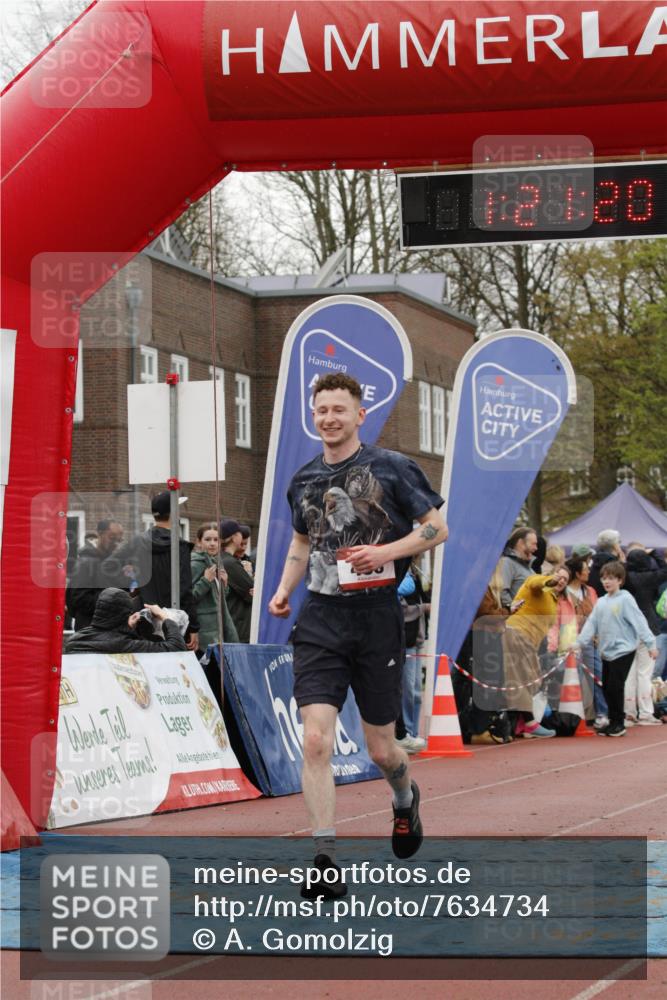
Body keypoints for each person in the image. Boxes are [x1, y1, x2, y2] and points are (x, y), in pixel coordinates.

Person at [268, 372, 447, 895]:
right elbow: (302, 542)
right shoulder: (303, 479)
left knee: (382, 751)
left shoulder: (391, 467)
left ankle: (404, 799)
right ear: (313, 415)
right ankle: (324, 858)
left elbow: (437, 528)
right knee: (315, 740)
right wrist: (283, 589)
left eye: (339, 410)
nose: (329, 418)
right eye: (321, 410)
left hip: (376, 619)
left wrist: (384, 552)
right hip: (321, 618)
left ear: (359, 415)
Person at [104, 492, 199, 651]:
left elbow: (108, 566)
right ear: (174, 513)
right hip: (172, 620)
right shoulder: (180, 546)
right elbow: (185, 589)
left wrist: (132, 586)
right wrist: (194, 627)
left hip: (144, 616)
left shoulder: (138, 541)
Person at [573, 561, 658, 737]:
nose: (606, 582)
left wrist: (651, 644)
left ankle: (619, 723)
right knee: (606, 688)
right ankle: (613, 722)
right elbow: (591, 624)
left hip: (624, 650)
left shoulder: (625, 599)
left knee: (615, 686)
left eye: (611, 578)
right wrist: (579, 643)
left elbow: (639, 621)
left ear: (620, 580)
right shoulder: (601, 602)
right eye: (604, 578)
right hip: (606, 652)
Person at [502, 567, 570, 738]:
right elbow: (535, 582)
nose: (562, 581)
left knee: (532, 680)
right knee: (523, 679)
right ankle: (529, 723)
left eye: (565, 579)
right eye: (560, 576)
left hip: (529, 642)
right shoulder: (539, 584)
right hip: (517, 633)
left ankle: (519, 722)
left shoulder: (553, 599)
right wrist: (550, 580)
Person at [622, 547, 667, 726]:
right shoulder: (650, 577)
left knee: (629, 674)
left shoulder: (625, 578)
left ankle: (629, 712)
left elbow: (619, 568)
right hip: (648, 626)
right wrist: (654, 553)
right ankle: (646, 713)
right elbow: (665, 569)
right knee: (645, 673)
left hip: (627, 628)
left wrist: (625, 560)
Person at [65, 588, 187, 654]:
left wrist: (126, 627)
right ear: (124, 615)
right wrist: (164, 616)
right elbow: (176, 648)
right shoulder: (125, 644)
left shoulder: (75, 640)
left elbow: (108, 631)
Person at [564, 553, 606, 727]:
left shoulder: (590, 591)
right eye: (585, 569)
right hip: (569, 640)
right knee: (576, 678)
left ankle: (602, 712)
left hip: (589, 641)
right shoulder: (564, 592)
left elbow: (597, 614)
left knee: (597, 675)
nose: (589, 571)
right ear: (576, 573)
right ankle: (579, 716)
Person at [394, 559, 430, 753]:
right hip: (404, 639)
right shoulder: (398, 575)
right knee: (407, 689)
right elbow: (402, 610)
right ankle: (405, 732)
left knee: (416, 690)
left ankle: (413, 733)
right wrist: (423, 608)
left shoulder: (414, 573)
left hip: (416, 638)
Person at [66, 519, 124, 630]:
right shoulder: (85, 563)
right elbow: (78, 600)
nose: (116, 543)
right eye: (112, 537)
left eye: (119, 540)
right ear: (100, 534)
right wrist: (113, 600)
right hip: (90, 630)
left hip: (109, 629)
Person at [191, 523, 240, 650]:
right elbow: (188, 598)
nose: (212, 543)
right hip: (204, 630)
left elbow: (217, 598)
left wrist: (225, 585)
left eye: (216, 540)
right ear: (199, 542)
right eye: (207, 539)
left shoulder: (216, 562)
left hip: (218, 627)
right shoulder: (196, 564)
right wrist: (205, 581)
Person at [219, 518, 255, 642]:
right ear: (234, 538)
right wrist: (248, 574)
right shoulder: (230, 563)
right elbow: (252, 592)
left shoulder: (225, 559)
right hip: (238, 626)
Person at [500, 527, 538, 609]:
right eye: (533, 544)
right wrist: (513, 611)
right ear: (521, 543)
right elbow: (502, 591)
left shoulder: (528, 568)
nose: (536, 548)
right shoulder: (507, 563)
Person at [589, 529, 624, 596]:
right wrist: (623, 564)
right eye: (619, 542)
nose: (620, 545)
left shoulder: (593, 564)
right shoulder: (617, 566)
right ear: (615, 546)